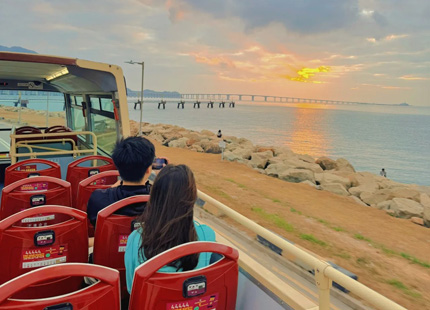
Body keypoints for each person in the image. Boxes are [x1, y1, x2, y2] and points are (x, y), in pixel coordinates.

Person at [124, 164, 216, 293]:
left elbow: (131, 289)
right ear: (192, 198)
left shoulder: (136, 239)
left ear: (154, 196)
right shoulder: (207, 236)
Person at [87, 136, 155, 227]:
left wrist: (112, 189)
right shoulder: (162, 201)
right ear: (148, 170)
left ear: (118, 167)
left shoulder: (98, 199)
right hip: (149, 241)